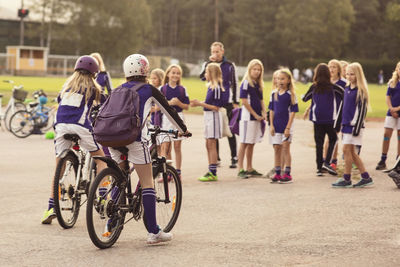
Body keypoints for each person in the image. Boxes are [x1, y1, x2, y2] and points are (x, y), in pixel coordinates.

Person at [107, 54, 190, 244]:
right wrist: (183, 130)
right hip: (135, 139)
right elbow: (169, 111)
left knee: (119, 176)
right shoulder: (149, 89)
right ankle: (153, 232)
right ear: (145, 70)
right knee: (147, 183)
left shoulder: (117, 89)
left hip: (112, 139)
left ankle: (111, 223)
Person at [41, 55, 107, 224]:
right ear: (94, 74)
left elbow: (59, 102)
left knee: (59, 167)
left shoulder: (66, 87)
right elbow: (106, 103)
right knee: (101, 160)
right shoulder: (94, 88)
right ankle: (101, 198)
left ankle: (51, 207)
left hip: (61, 126)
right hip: (80, 127)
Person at [332, 62, 374, 188]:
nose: (349, 76)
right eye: (348, 74)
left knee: (347, 150)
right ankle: (365, 177)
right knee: (351, 153)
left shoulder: (361, 91)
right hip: (346, 125)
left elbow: (362, 111)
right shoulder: (346, 88)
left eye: (352, 74)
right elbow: (342, 107)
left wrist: (356, 127)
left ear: (358, 75)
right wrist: (337, 123)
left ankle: (347, 178)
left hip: (354, 126)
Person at [200, 42, 239, 168]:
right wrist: (209, 63)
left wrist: (235, 102)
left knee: (229, 129)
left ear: (223, 51)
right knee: (213, 131)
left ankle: (234, 157)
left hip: (226, 102)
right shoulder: (208, 64)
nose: (215, 54)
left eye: (217, 51)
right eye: (213, 52)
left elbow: (235, 83)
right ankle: (215, 158)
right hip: (214, 101)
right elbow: (202, 77)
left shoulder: (230, 65)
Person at [302, 63, 344, 176]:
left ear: (316, 74)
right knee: (333, 139)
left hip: (317, 119)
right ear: (328, 74)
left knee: (319, 143)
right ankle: (327, 162)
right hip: (330, 119)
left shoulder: (313, 87)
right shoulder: (335, 88)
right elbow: (344, 95)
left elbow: (305, 98)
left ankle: (319, 168)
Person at [191, 63, 226, 181]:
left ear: (211, 73)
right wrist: (199, 102)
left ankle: (213, 172)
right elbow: (209, 103)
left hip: (213, 117)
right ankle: (210, 169)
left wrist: (199, 103)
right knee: (208, 143)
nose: (205, 74)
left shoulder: (216, 87)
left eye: (206, 72)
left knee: (211, 143)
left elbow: (216, 107)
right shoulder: (211, 86)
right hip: (208, 116)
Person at [237, 59, 267, 178]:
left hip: (257, 118)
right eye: (254, 69)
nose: (257, 71)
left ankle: (249, 167)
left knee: (252, 143)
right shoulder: (245, 83)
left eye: (259, 70)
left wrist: (264, 112)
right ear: (249, 70)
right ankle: (240, 169)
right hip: (247, 118)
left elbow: (261, 100)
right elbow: (244, 101)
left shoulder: (258, 84)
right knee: (244, 142)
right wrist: (255, 114)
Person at [159, 64, 190, 180]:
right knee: (167, 146)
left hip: (179, 117)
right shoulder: (163, 89)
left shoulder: (182, 89)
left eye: (178, 73)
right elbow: (159, 106)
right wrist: (169, 103)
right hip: (167, 118)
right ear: (168, 74)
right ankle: (168, 172)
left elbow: (186, 106)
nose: (175, 75)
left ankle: (178, 172)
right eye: (173, 72)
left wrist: (178, 103)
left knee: (177, 146)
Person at [268, 68, 299, 183]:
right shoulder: (273, 93)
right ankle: (277, 173)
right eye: (278, 79)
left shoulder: (291, 95)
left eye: (282, 79)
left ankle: (287, 173)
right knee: (277, 148)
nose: (280, 81)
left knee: (286, 148)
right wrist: (271, 125)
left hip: (286, 127)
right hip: (276, 126)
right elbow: (271, 110)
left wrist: (288, 127)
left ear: (288, 80)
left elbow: (293, 112)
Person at [376, 62, 400, 170]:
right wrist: (391, 108)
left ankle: (398, 161)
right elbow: (388, 96)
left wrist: (397, 109)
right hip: (391, 112)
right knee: (386, 134)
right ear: (396, 69)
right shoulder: (392, 82)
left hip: (398, 111)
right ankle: (383, 159)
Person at [325, 59, 347, 171]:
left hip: (338, 114)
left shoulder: (343, 83)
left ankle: (332, 161)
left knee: (332, 137)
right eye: (329, 67)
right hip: (326, 113)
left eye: (334, 67)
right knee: (328, 139)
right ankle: (326, 161)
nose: (331, 69)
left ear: (338, 69)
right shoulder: (325, 81)